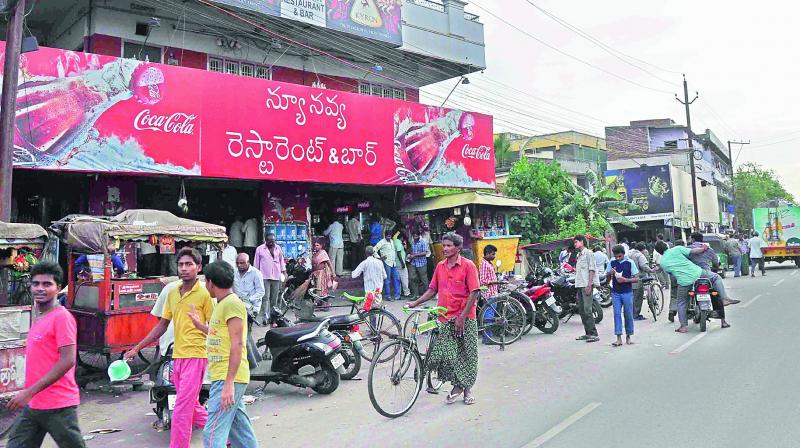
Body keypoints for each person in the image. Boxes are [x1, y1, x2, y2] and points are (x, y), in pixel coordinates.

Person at [125, 247, 214, 448]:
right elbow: (161, 325)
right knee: (192, 408)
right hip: (176, 357)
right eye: (180, 264)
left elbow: (217, 330)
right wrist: (137, 348)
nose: (184, 268)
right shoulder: (172, 291)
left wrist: (201, 326)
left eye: (189, 264)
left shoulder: (205, 294)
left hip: (197, 356)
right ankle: (225, 438)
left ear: (199, 267)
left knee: (182, 410)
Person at [5, 262, 85, 448]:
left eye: (47, 284)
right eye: (36, 284)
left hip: (58, 405)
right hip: (34, 405)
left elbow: (68, 360)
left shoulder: (62, 318)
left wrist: (29, 392)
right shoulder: (40, 317)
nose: (40, 288)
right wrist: (30, 394)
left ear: (58, 288)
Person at [186, 261, 258, 448]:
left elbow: (237, 343)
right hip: (226, 376)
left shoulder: (232, 304)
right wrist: (199, 325)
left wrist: (228, 384)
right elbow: (220, 334)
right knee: (240, 432)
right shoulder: (223, 304)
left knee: (213, 433)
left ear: (210, 283)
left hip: (228, 377)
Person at [405, 233, 480, 405]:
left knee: (467, 354)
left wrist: (462, 317)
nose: (445, 248)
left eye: (448, 245)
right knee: (447, 356)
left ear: (458, 248)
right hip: (445, 317)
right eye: (443, 246)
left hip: (465, 317)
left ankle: (466, 390)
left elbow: (475, 292)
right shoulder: (440, 266)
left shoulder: (468, 266)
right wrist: (415, 302)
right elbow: (432, 290)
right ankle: (458, 385)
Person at [655, 241, 731, 333]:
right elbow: (694, 251)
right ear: (666, 246)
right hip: (699, 273)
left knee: (681, 302)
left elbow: (671, 273)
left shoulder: (663, 262)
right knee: (716, 278)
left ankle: (683, 326)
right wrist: (703, 248)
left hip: (684, 282)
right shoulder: (677, 249)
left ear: (659, 252)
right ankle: (724, 299)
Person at [605, 245, 638, 347]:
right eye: (616, 257)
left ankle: (629, 336)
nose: (618, 258)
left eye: (619, 256)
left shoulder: (630, 262)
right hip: (616, 293)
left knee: (628, 314)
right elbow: (607, 280)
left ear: (623, 254)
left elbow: (636, 278)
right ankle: (618, 338)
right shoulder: (612, 263)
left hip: (627, 292)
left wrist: (625, 280)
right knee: (617, 314)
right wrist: (609, 274)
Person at [254, 233, 286, 326]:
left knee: (274, 298)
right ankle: (265, 317)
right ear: (265, 240)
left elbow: (281, 261)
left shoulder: (278, 248)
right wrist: (256, 275)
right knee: (265, 298)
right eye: (270, 241)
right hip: (264, 276)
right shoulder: (259, 249)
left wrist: (284, 272)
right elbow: (256, 263)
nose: (272, 243)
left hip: (276, 276)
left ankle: (274, 318)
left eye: (273, 241)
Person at [574, 235, 600, 343]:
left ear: (582, 242)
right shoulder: (578, 255)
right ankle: (588, 333)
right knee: (581, 310)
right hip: (580, 285)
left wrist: (589, 284)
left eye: (576, 242)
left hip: (586, 284)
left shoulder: (589, 253)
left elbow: (591, 269)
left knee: (587, 310)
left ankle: (594, 334)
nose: (575, 244)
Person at [233, 253, 265, 321]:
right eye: (237, 263)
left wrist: (248, 300)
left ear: (248, 262)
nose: (239, 265)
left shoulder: (256, 273)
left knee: (246, 329)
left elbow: (261, 292)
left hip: (251, 307)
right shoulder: (234, 272)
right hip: (237, 305)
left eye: (242, 263)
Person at [629, 242, 655, 320]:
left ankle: (631, 314)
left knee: (632, 298)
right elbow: (644, 266)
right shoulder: (640, 255)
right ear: (643, 249)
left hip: (629, 279)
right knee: (638, 297)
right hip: (638, 279)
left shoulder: (629, 254)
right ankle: (635, 315)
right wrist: (651, 270)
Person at [374, 230, 401, 301]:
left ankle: (397, 295)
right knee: (387, 280)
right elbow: (374, 249)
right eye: (387, 236)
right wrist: (379, 258)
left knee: (397, 278)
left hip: (393, 263)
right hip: (387, 263)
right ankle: (388, 295)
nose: (389, 237)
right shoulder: (382, 242)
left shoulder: (392, 241)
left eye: (390, 235)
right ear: (385, 235)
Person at [408, 230, 430, 297]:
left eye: (416, 235)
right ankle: (415, 294)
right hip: (413, 262)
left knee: (424, 279)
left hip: (421, 263)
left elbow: (424, 253)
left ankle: (426, 295)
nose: (415, 237)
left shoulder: (423, 241)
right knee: (412, 277)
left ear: (419, 235)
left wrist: (414, 255)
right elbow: (411, 250)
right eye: (414, 235)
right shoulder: (412, 241)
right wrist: (410, 254)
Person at [394, 231, 412, 298]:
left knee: (398, 279)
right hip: (400, 263)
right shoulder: (398, 242)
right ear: (401, 238)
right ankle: (406, 293)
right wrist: (402, 263)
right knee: (404, 278)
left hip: (396, 263)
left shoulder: (394, 241)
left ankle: (399, 292)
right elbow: (399, 253)